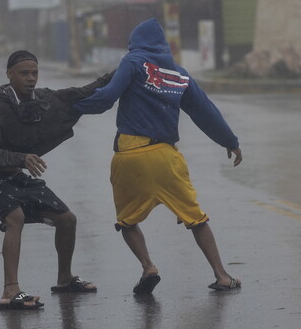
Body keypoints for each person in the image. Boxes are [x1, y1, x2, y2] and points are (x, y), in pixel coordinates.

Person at [74, 18, 243, 295]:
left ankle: (148, 266)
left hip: (129, 155)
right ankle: (222, 275)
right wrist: (230, 141)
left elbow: (107, 98)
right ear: (164, 45)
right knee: (196, 219)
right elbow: (205, 111)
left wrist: (73, 106)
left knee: (127, 221)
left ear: (134, 43)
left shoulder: (132, 62)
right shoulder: (179, 74)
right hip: (165, 157)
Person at [0, 50, 114, 310]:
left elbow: (83, 92)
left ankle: (64, 279)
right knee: (15, 217)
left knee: (67, 220)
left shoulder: (43, 98)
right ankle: (10, 291)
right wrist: (21, 158)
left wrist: (127, 69)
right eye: (24, 73)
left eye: (34, 73)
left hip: (14, 174)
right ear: (9, 75)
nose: (30, 78)